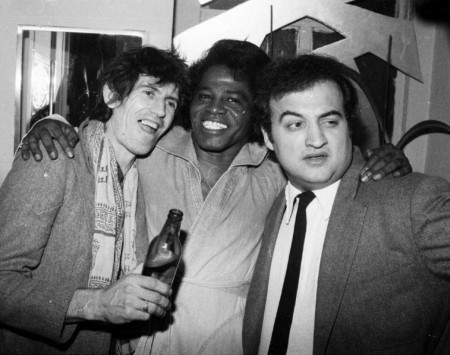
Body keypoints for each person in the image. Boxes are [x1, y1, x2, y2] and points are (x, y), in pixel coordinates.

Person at [19, 40, 411, 355]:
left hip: (226, 342)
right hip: (137, 339)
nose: (214, 110)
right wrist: (51, 123)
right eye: (204, 96)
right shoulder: (155, 145)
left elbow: (333, 162)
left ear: (257, 115)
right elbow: (103, 133)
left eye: (234, 100)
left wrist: (384, 160)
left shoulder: (277, 168)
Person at [243, 53, 450, 355]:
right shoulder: (277, 206)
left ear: (349, 126)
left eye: (329, 121)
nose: (316, 139)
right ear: (269, 137)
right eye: (295, 124)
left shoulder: (412, 202)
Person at [0, 46, 188, 354]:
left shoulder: (144, 180)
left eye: (171, 101)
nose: (160, 111)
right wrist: (96, 305)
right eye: (150, 93)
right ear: (112, 95)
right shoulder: (54, 157)